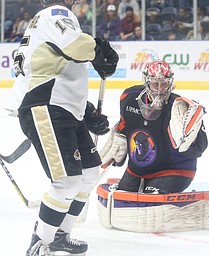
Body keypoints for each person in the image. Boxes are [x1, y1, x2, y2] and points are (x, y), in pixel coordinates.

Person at [11, 0, 119, 255]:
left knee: (90, 173)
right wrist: (99, 47)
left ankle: (60, 235)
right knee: (67, 181)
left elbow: (57, 69)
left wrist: (86, 109)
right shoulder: (55, 13)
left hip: (63, 108)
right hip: (46, 108)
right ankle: (40, 243)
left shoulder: (46, 21)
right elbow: (76, 47)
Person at [99, 60, 208, 196]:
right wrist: (118, 141)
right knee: (121, 201)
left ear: (170, 83)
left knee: (149, 204)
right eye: (155, 84)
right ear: (146, 81)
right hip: (137, 171)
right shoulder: (129, 98)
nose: (159, 89)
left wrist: (190, 141)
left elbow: (200, 147)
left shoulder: (181, 108)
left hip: (174, 170)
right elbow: (124, 126)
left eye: (163, 84)